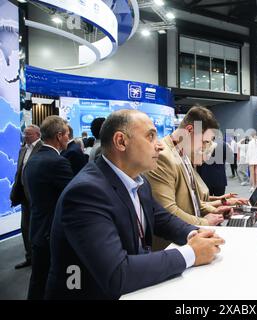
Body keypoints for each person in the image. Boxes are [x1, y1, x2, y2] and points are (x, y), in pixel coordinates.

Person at [45, 110, 224, 300]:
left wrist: (194, 233)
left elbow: (160, 217)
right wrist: (191, 253)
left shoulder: (138, 181)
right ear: (121, 141)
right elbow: (117, 272)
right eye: (151, 137)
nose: (160, 146)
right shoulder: (86, 193)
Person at [144, 107, 232, 229]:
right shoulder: (163, 156)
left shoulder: (183, 154)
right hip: (173, 242)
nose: (204, 147)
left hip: (190, 233)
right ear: (189, 130)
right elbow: (168, 211)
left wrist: (215, 211)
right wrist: (204, 222)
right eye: (204, 141)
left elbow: (191, 201)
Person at [23, 116, 73, 300]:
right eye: (67, 134)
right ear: (59, 136)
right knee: (57, 282)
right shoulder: (58, 162)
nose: (69, 138)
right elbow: (73, 198)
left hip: (37, 230)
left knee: (38, 280)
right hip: (52, 233)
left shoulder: (33, 160)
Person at [10, 125, 43, 269]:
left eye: (28, 134)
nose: (25, 136)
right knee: (25, 227)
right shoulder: (23, 149)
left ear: (37, 134)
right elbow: (19, 172)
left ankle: (40, 259)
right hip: (24, 194)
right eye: (24, 134)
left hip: (37, 195)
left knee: (38, 228)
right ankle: (29, 257)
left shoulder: (43, 148)